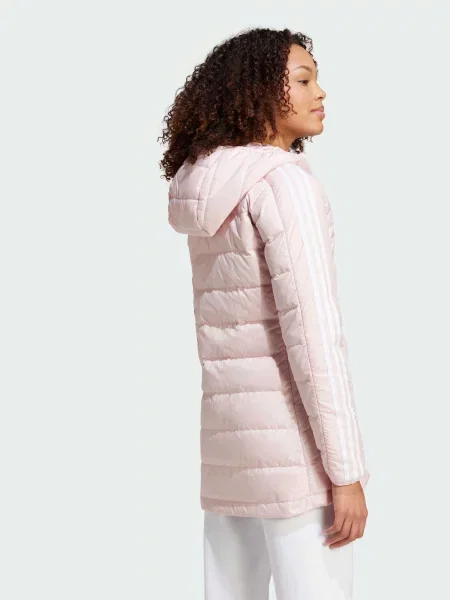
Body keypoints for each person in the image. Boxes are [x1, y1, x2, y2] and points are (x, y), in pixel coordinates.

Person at [158, 26, 370, 600]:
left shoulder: (216, 187)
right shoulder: (283, 185)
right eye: (302, 80)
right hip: (296, 459)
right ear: (256, 93)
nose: (319, 92)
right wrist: (346, 472)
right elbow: (315, 337)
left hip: (230, 455)